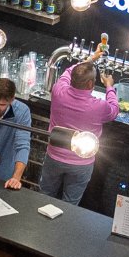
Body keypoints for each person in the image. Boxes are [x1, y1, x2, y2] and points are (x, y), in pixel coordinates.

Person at [38, 40, 116, 205]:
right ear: (90, 84)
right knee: (70, 204)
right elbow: (114, 110)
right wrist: (110, 87)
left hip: (54, 157)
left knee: (44, 196)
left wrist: (91, 59)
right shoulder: (99, 106)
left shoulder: (58, 91)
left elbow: (68, 70)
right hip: (81, 163)